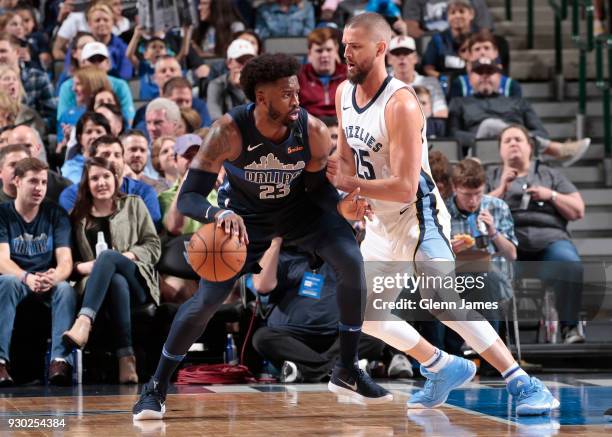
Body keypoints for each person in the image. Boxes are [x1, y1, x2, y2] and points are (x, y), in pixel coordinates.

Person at [132, 52, 392, 421]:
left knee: (351, 259)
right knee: (207, 302)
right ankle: (156, 387)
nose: (297, 101)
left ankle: (347, 368)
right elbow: (189, 197)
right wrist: (219, 213)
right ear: (261, 97)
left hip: (300, 213)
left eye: (297, 92)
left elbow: (317, 190)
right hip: (244, 220)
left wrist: (339, 208)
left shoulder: (313, 130)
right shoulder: (228, 132)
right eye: (287, 94)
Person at [327, 12, 559, 415]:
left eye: (354, 46)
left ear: (380, 49)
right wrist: (348, 199)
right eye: (344, 44)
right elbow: (346, 163)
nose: (345, 53)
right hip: (380, 222)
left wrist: (352, 186)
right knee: (362, 313)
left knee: (441, 298)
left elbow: (402, 185)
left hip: (419, 215)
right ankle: (440, 364)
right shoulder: (343, 94)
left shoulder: (400, 103)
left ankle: (523, 382)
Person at [62, 156, 161, 384]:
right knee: (116, 281)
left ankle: (84, 321)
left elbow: (153, 246)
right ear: (86, 184)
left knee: (110, 259)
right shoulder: (78, 217)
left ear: (116, 179)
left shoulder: (134, 204)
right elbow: (69, 262)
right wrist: (83, 266)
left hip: (138, 279)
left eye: (106, 176)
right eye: (94, 178)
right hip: (97, 286)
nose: (101, 182)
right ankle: (126, 358)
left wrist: (125, 257)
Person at [487, 125, 586, 344]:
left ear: (530, 147)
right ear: (500, 150)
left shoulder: (549, 174)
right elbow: (475, 209)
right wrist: (501, 189)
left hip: (550, 242)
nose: (513, 143)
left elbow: (578, 209)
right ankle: (498, 337)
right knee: (488, 271)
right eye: (507, 140)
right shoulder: (492, 175)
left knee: (569, 263)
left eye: (518, 139)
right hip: (507, 244)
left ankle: (570, 328)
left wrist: (550, 195)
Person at [250, 237, 386, 383]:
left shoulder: (341, 253)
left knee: (376, 336)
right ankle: (338, 369)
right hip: (292, 339)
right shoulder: (282, 255)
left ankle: (307, 370)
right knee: (262, 338)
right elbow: (261, 285)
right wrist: (275, 241)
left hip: (337, 336)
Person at [0, 158, 77, 386]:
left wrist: (55, 276)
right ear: (16, 181)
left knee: (64, 288)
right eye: (33, 181)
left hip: (46, 281)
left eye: (43, 182)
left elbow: (66, 260)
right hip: (18, 280)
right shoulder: (3, 214)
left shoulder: (56, 213)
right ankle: (1, 362)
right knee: (7, 282)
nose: (39, 188)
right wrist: (26, 277)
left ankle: (59, 360)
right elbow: (2, 260)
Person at [448, 60, 591, 166]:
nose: (485, 76)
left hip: (518, 149)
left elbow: (541, 133)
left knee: (508, 132)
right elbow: (453, 134)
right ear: (470, 77)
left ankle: (520, 139)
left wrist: (514, 137)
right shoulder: (459, 102)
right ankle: (555, 150)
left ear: (499, 76)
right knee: (489, 125)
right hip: (479, 151)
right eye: (479, 73)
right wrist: (481, 140)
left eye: (490, 72)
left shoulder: (518, 102)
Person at [59, 135, 162, 229]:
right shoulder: (71, 195)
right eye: (105, 155)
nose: (112, 160)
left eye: (117, 155)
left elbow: (152, 226)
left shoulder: (144, 192)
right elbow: (73, 228)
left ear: (123, 160)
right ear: (92, 160)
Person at [0, 33, 56, 129]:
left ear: (17, 52)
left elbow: (52, 116)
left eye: (3, 51)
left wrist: (31, 127)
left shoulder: (38, 77)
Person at [387, 35, 448, 118]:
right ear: (389, 59)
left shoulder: (430, 82)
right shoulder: (380, 83)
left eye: (406, 53)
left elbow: (441, 114)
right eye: (397, 53)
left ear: (415, 58)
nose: (402, 57)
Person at [297, 27, 347, 118]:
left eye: (329, 50)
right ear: (309, 53)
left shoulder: (349, 75)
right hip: (311, 127)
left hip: (342, 126)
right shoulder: (299, 76)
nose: (324, 55)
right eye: (319, 51)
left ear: (336, 50)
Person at [206, 39, 255, 121]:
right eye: (240, 61)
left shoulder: (257, 84)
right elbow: (215, 118)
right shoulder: (216, 85)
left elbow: (255, 116)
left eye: (248, 62)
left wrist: (241, 88)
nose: (244, 66)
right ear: (229, 63)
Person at [60, 111, 111, 184]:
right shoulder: (71, 167)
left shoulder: (114, 161)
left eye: (99, 132)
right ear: (80, 138)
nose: (94, 136)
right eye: (89, 132)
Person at [403, 0, 493, 39]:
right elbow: (410, 28)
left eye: (461, 11)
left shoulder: (475, 2)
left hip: (467, 41)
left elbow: (484, 29)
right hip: (431, 42)